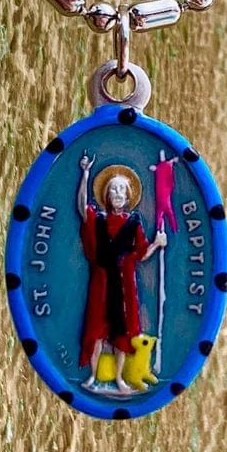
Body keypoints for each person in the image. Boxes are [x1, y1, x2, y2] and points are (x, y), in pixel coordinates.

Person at [77, 153, 167, 393]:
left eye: (121, 190)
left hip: (125, 284)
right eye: (113, 189)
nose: (117, 193)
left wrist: (157, 244)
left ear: (128, 196)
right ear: (106, 195)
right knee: (96, 328)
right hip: (102, 281)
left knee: (122, 333)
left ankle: (119, 379)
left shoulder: (133, 223)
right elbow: (82, 208)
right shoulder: (98, 219)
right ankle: (93, 376)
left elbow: (141, 253)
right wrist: (85, 174)